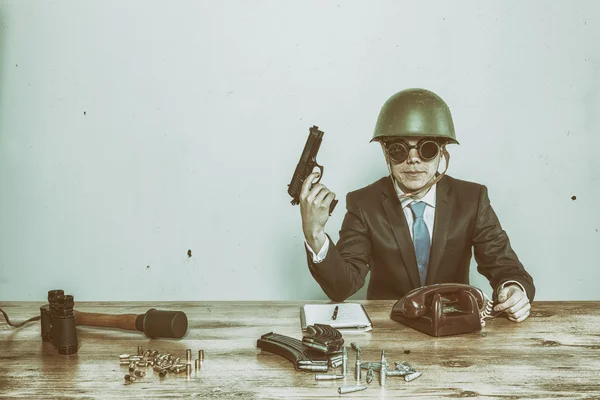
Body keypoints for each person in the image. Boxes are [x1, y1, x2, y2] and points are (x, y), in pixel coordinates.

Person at [298, 88, 535, 323]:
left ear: (442, 152)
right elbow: (342, 287)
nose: (413, 159)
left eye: (427, 149)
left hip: (454, 326)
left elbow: (505, 266)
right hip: (390, 326)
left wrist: (514, 290)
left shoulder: (472, 199)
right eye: (399, 150)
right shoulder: (364, 203)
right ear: (386, 153)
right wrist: (315, 234)